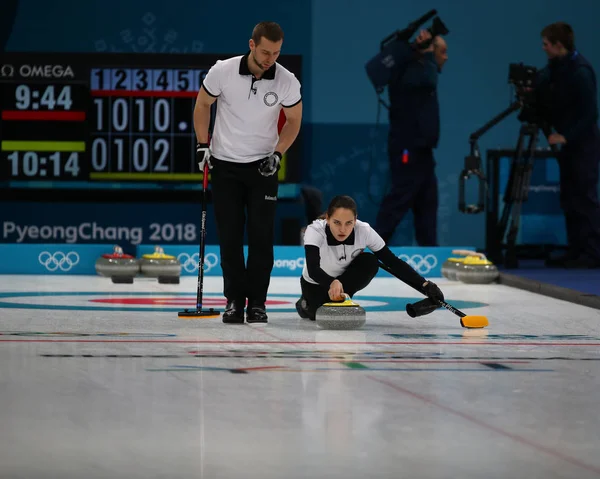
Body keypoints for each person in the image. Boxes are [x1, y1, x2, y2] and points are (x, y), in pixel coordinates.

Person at [193, 21, 303, 323]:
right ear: (252, 45)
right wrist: (203, 145)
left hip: (263, 167)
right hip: (225, 166)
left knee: (261, 238)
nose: (270, 59)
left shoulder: (286, 80)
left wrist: (278, 154)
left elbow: (294, 121)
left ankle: (257, 303)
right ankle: (233, 302)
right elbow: (203, 105)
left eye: (277, 53)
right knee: (229, 238)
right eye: (265, 52)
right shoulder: (223, 71)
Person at [295, 195, 445, 321]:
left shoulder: (364, 230)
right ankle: (304, 305)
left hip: (343, 281)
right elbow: (313, 268)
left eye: (349, 223)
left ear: (355, 220)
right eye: (337, 223)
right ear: (327, 218)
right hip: (316, 283)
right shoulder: (315, 230)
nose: (343, 229)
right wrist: (331, 282)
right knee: (317, 315)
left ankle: (341, 300)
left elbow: (392, 261)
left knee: (370, 261)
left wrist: (425, 285)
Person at [374, 29, 448, 246]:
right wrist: (425, 53)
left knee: (427, 205)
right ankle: (370, 252)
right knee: (397, 202)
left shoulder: (422, 71)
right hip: (408, 148)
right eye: (442, 52)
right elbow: (428, 80)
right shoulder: (410, 72)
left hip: (423, 150)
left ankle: (430, 256)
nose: (446, 57)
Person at [535, 22, 600, 268]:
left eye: (546, 44)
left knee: (585, 198)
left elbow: (590, 114)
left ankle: (592, 252)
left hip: (584, 146)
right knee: (570, 199)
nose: (543, 49)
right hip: (571, 147)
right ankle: (576, 249)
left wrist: (567, 136)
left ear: (558, 45)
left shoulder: (581, 71)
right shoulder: (556, 69)